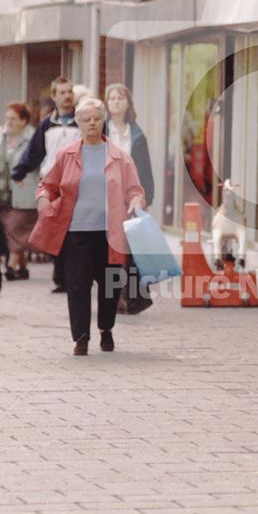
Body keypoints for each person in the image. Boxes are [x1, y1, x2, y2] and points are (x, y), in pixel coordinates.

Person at [28, 98, 145, 356]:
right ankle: (80, 338)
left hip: (110, 232)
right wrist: (43, 201)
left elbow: (135, 189)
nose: (91, 123)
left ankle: (106, 329)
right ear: (78, 123)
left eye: (96, 119)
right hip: (76, 231)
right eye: (86, 119)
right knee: (78, 285)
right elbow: (47, 185)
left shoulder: (119, 157)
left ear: (103, 121)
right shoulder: (67, 154)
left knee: (110, 284)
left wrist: (136, 203)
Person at [12, 76, 80, 293]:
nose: (67, 96)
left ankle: (74, 277)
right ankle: (60, 277)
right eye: (62, 92)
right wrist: (20, 171)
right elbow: (35, 152)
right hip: (53, 185)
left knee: (75, 233)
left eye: (70, 92)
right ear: (54, 97)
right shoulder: (47, 126)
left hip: (77, 184)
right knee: (54, 231)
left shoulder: (82, 122)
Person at [105, 83, 155, 314]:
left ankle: (130, 295)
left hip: (130, 194)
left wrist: (146, 197)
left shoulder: (136, 135)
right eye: (112, 98)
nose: (116, 101)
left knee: (130, 248)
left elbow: (145, 168)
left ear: (128, 103)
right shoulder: (102, 132)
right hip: (106, 196)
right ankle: (113, 296)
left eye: (120, 98)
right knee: (111, 248)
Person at [0, 103, 39, 280]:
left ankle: (10, 265)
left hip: (24, 192)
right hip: (1, 194)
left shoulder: (34, 139)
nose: (8, 122)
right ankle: (21, 266)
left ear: (23, 121)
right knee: (10, 231)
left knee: (15, 227)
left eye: (13, 119)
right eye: (7, 118)